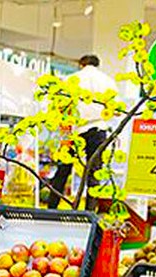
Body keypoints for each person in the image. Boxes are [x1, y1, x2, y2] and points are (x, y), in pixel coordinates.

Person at [46, 54, 119, 211]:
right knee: (94, 173)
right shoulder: (108, 81)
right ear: (97, 65)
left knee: (63, 170)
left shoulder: (70, 79)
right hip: (98, 129)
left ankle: (52, 207)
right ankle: (89, 212)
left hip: (73, 130)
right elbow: (115, 110)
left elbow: (62, 109)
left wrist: (65, 138)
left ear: (81, 64)